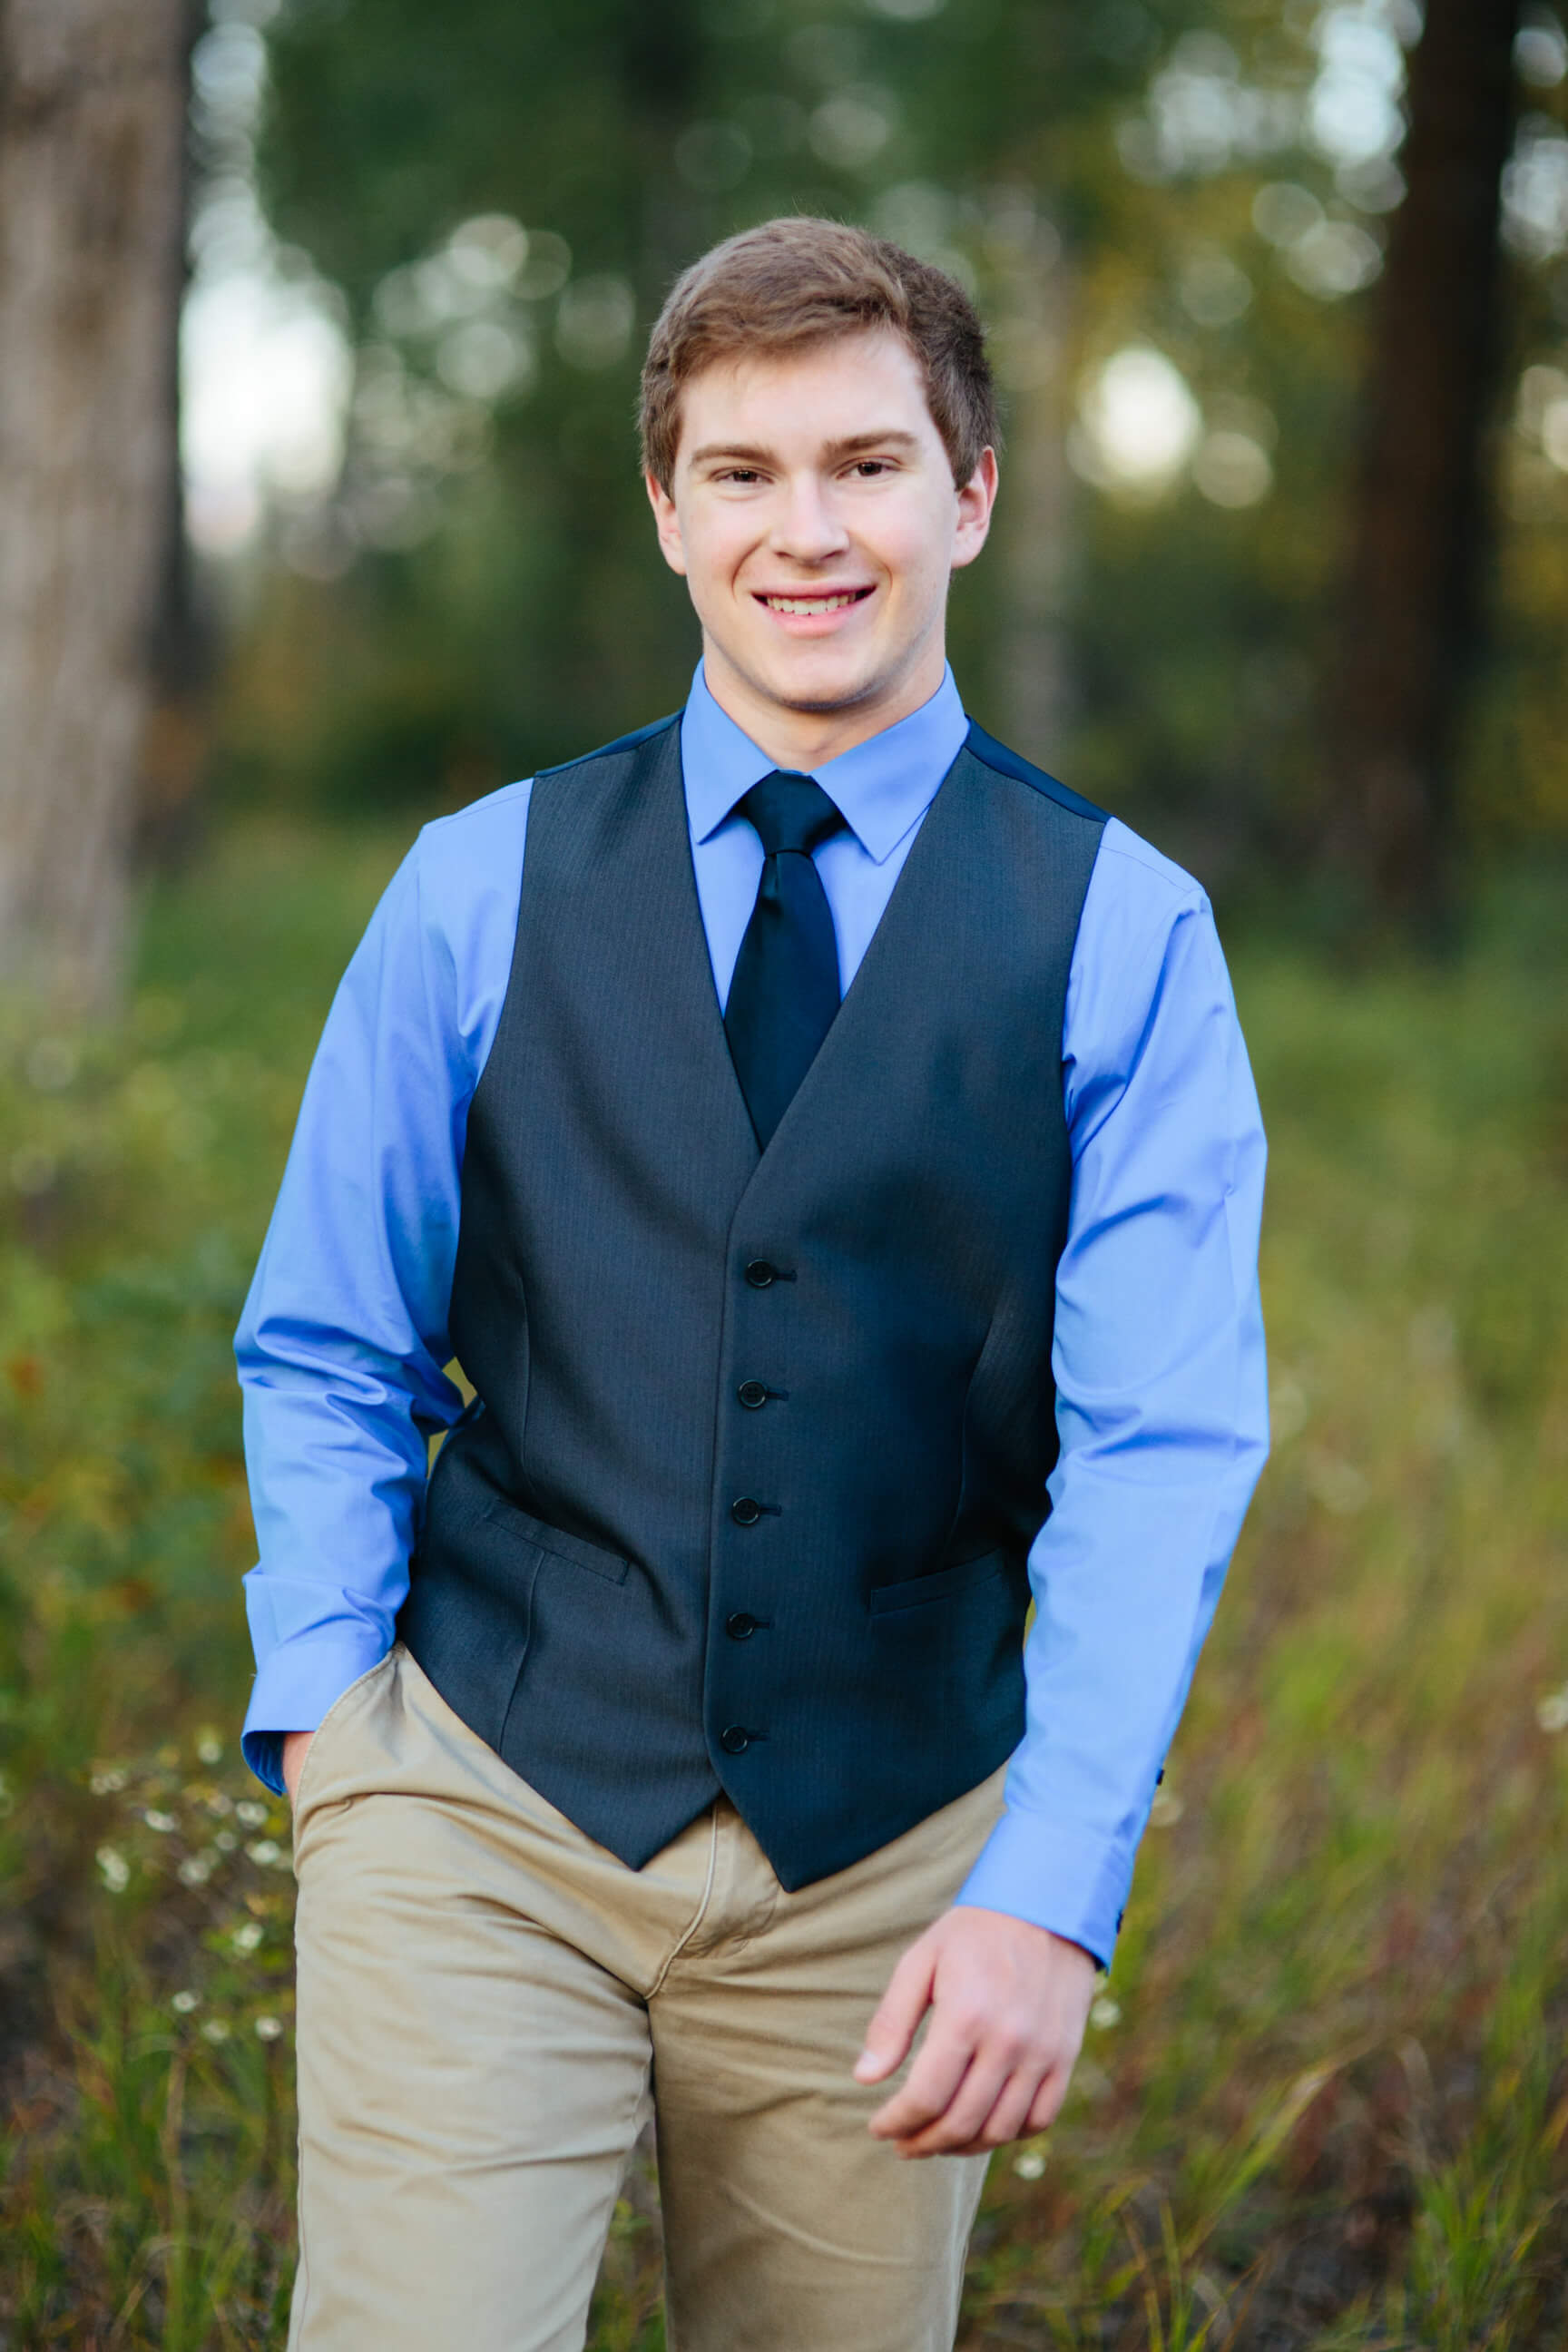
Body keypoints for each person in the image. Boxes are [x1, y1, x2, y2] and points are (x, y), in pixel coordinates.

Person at [236, 216, 1269, 2352]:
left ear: (969, 496)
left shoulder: (1124, 932)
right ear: (668, 509)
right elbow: (330, 1334)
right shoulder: (477, 887)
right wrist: (334, 1726)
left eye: (869, 467)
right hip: (484, 1803)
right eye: (745, 471)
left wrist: (1049, 1897)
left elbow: (1163, 1445)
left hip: (894, 1861)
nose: (810, 532)